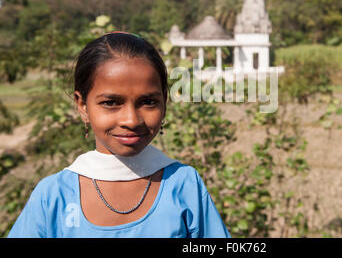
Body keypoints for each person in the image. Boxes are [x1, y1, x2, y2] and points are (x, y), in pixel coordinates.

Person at [8, 32, 231, 238]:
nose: (131, 120)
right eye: (111, 103)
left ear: (165, 102)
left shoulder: (183, 184)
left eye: (148, 102)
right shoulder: (53, 196)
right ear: (83, 105)